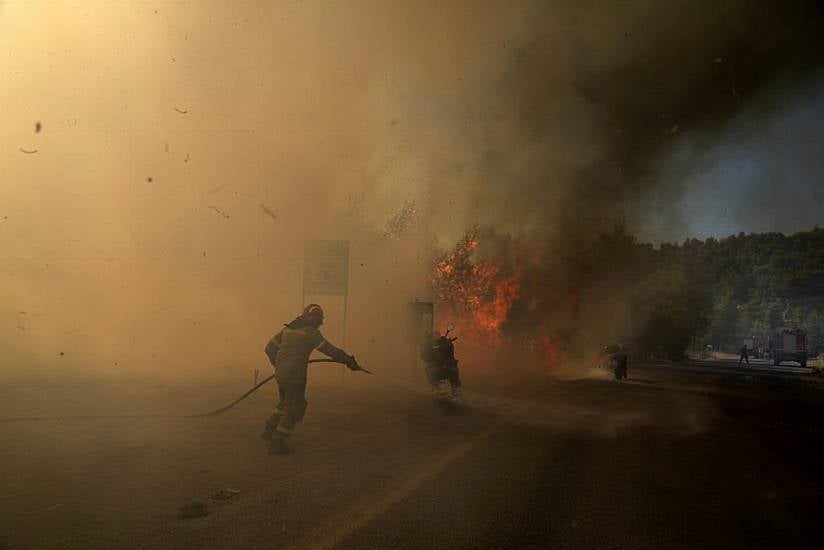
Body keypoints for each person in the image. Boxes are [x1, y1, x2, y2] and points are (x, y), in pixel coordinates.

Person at [262, 304, 360, 455]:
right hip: (295, 376)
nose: (319, 323)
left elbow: (269, 348)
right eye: (318, 320)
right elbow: (329, 350)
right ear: (314, 319)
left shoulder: (288, 329)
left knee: (284, 403)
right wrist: (349, 360)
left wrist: (278, 364)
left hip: (281, 374)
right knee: (295, 407)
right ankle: (277, 442)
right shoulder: (310, 333)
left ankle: (269, 430)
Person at [421, 330, 462, 397]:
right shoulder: (429, 345)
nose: (436, 337)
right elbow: (424, 356)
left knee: (453, 369)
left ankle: (456, 388)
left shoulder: (445, 342)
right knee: (429, 370)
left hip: (446, 362)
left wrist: (447, 343)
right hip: (435, 364)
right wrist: (428, 349)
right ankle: (436, 387)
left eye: (437, 335)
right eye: (434, 336)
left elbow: (451, 350)